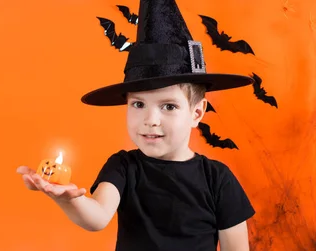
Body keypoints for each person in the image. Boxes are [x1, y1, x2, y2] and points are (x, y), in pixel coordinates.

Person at [16, 0, 255, 250]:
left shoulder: (218, 179)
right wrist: (66, 199)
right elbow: (97, 216)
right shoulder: (123, 167)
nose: (150, 120)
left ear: (197, 113)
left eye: (169, 106)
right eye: (139, 105)